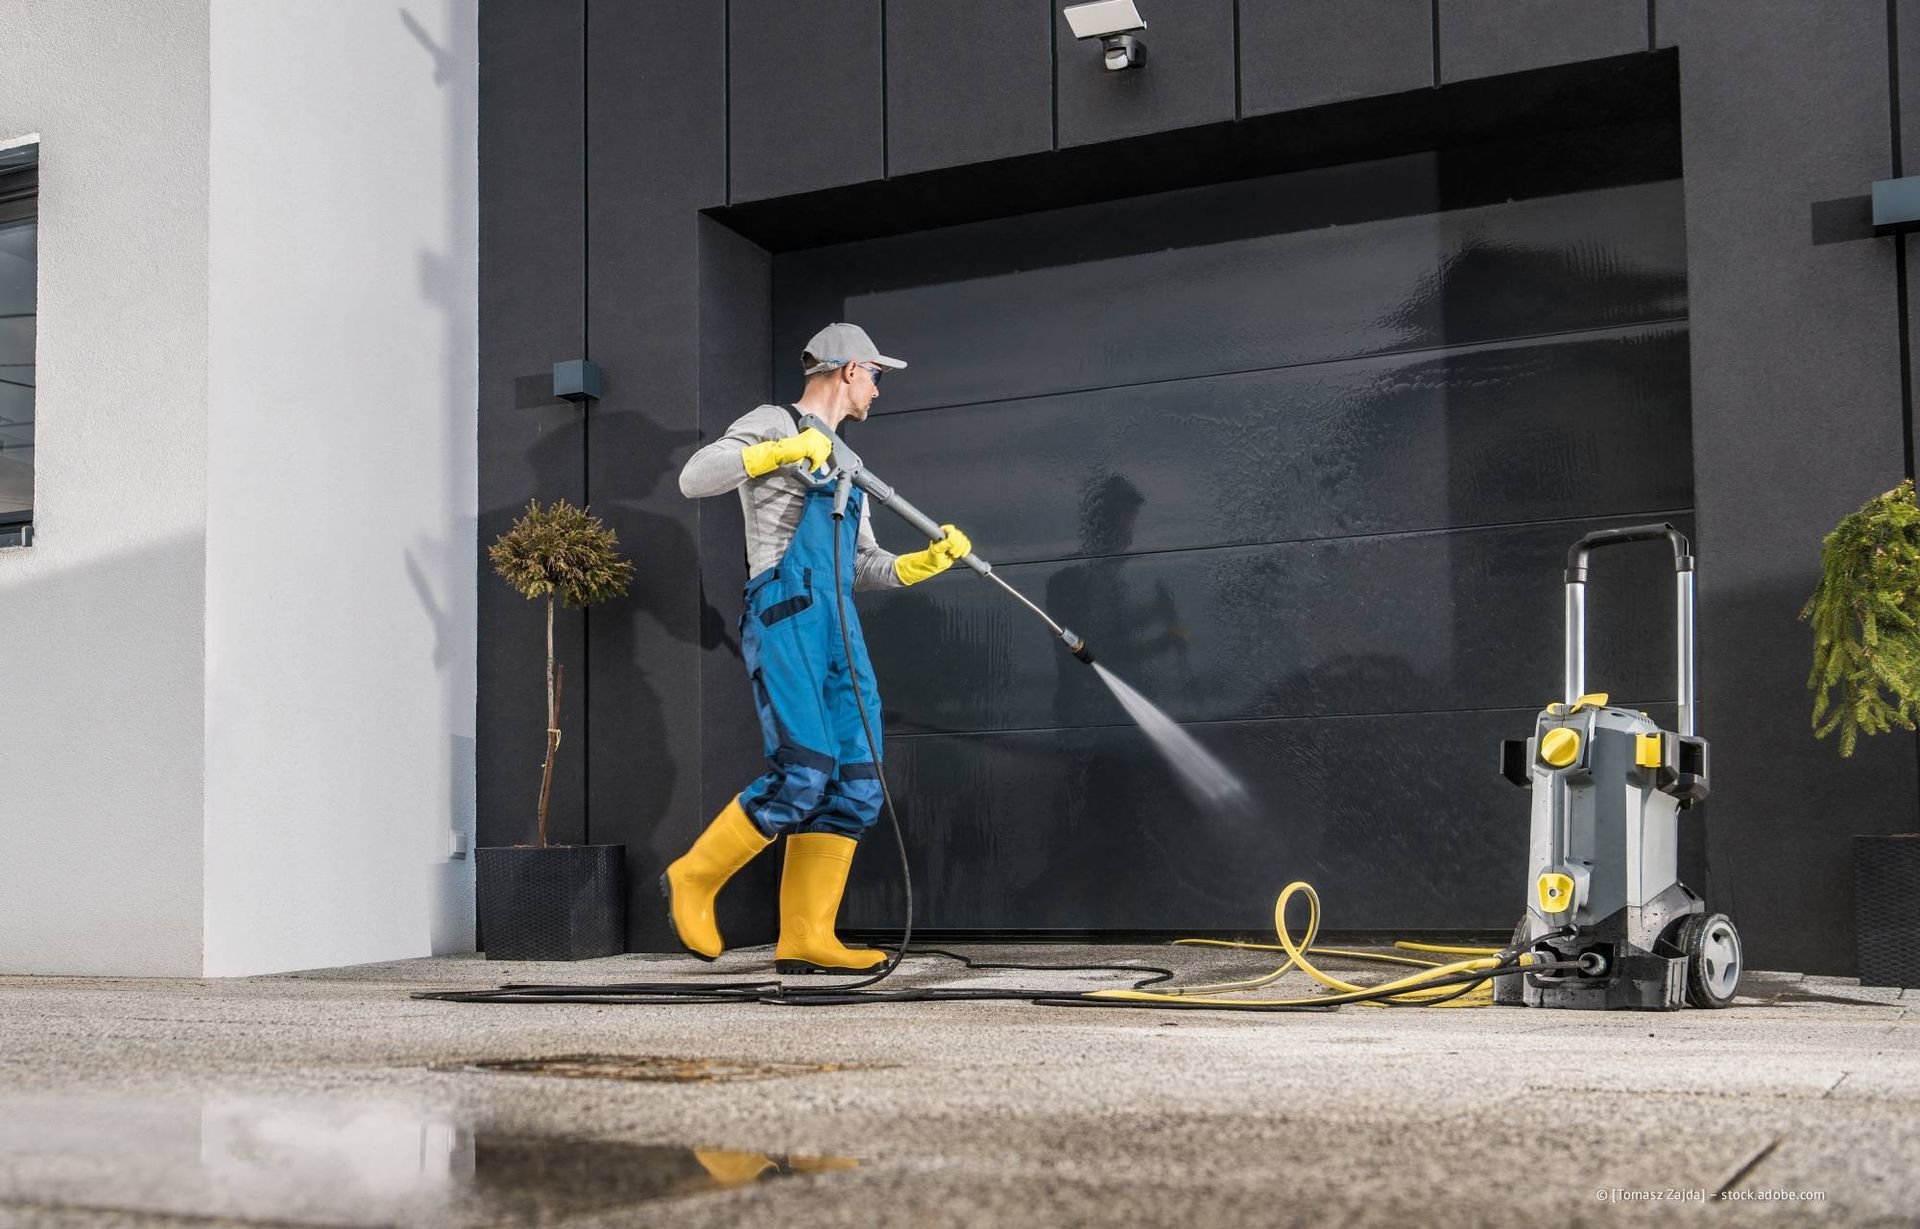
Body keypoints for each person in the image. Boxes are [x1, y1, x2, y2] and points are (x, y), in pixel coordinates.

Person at [663, 323, 973, 973]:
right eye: (876, 376)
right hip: (787, 612)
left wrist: (921, 564)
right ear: (850, 369)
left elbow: (861, 563)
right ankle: (693, 877)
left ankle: (806, 935)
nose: (878, 390)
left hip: (839, 623)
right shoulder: (774, 423)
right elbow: (696, 476)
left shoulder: (849, 466)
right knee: (804, 769)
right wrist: (778, 453)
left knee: (857, 780)